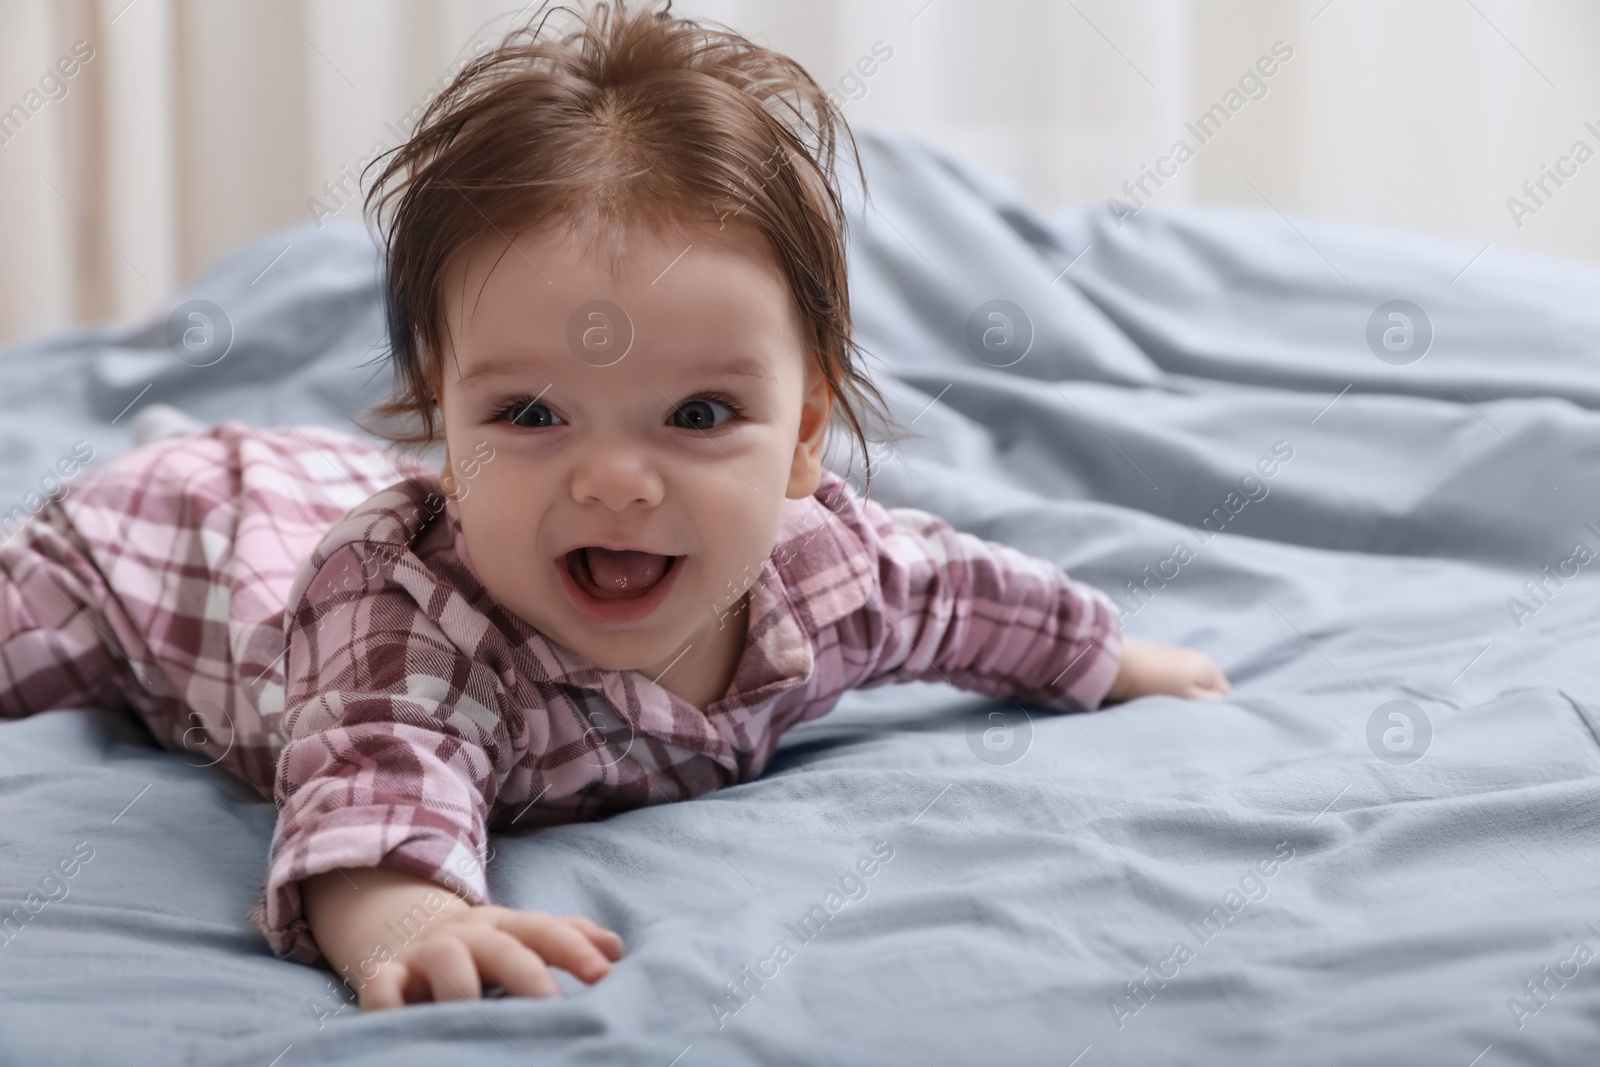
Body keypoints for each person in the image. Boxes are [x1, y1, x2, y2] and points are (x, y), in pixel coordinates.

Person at [0, 0, 1229, 1011]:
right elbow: (381, 775)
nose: (615, 480)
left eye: (697, 416)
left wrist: (1112, 654)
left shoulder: (829, 574)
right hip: (165, 552)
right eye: (530, 415)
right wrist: (412, 918)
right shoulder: (411, 615)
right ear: (445, 421)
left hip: (291, 492)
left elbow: (967, 597)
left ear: (803, 437)